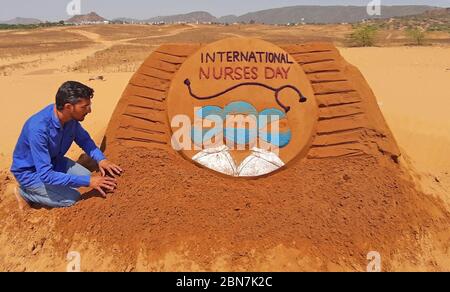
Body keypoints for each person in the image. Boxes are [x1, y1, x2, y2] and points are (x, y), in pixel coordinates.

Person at [9, 81, 122, 209]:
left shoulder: (70, 119)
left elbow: (85, 140)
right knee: (72, 199)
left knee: (86, 176)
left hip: (55, 162)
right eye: (84, 107)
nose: (89, 110)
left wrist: (101, 159)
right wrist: (89, 182)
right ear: (69, 107)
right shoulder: (38, 129)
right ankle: (25, 193)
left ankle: (57, 188)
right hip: (31, 173)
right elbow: (46, 175)